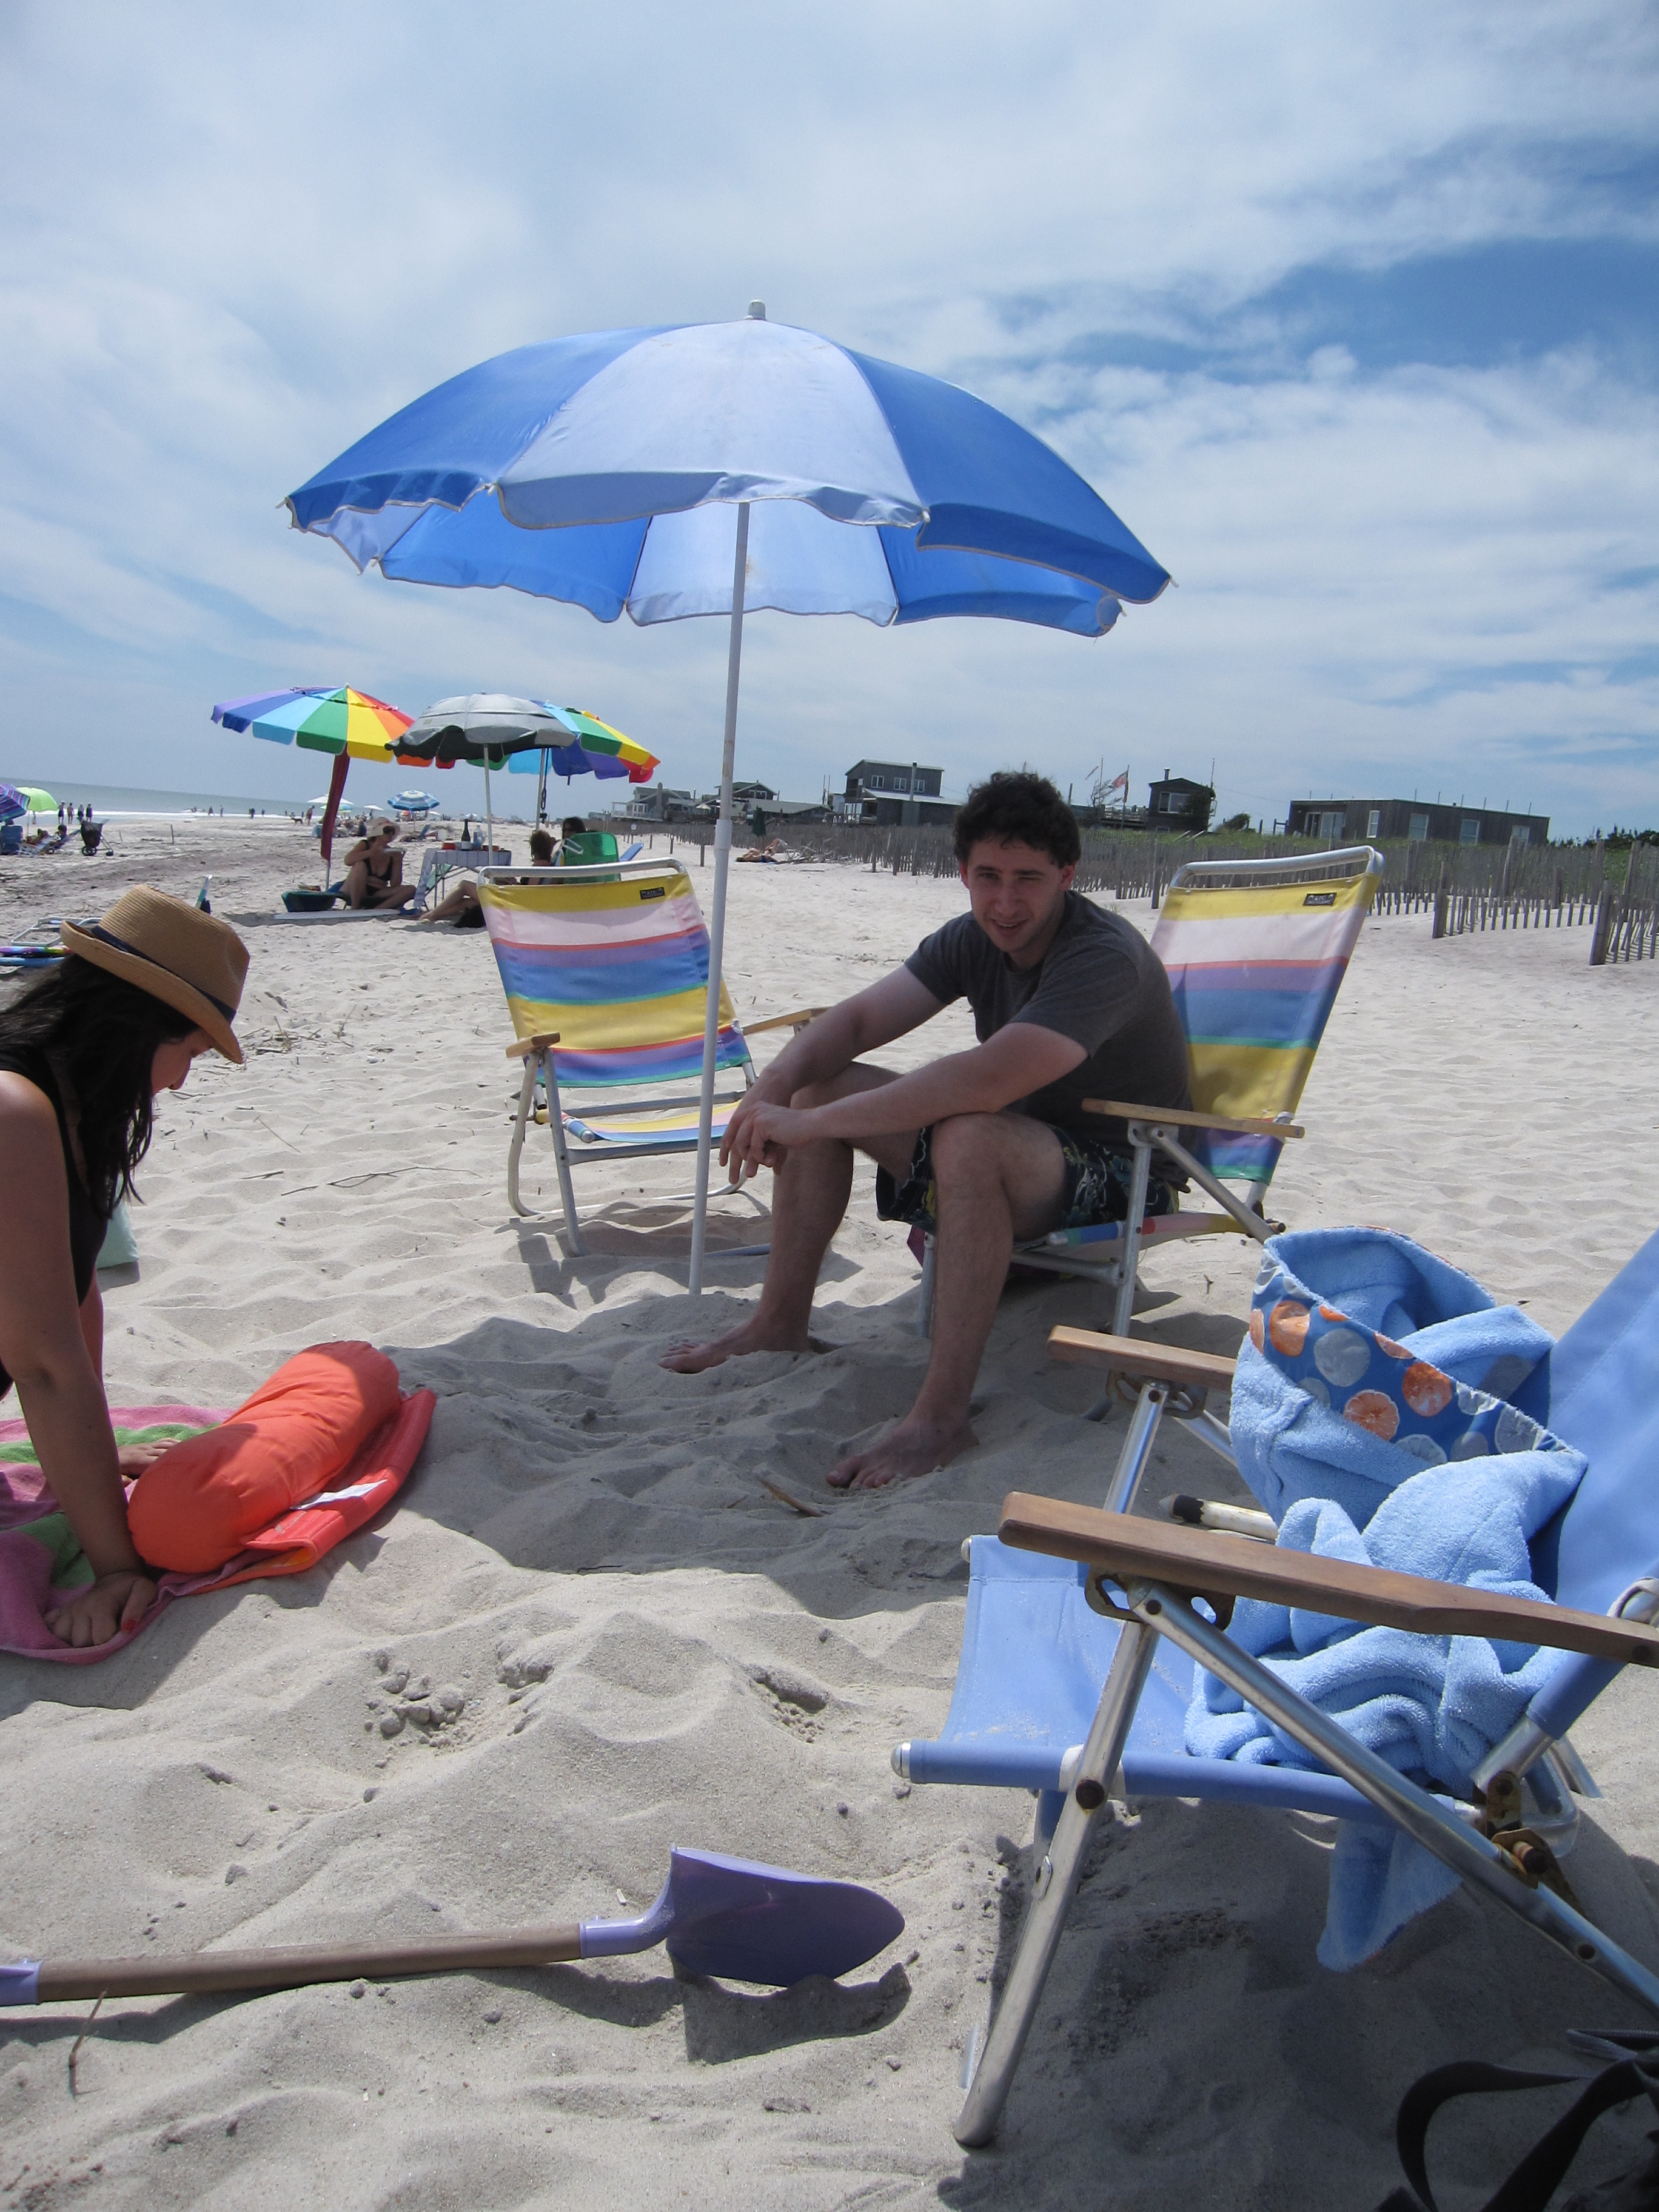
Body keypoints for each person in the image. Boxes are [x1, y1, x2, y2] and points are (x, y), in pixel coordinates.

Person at [662, 771, 1192, 1489]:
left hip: (1128, 1167)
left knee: (965, 1134)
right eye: (989, 877)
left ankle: (941, 1417)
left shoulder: (1101, 957)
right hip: (1024, 1147)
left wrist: (808, 1124)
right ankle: (778, 1323)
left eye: (1029, 880)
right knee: (823, 1080)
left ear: (1068, 876)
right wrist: (774, 1089)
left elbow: (986, 1080)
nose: (1006, 903)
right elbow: (856, 1021)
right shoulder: (973, 939)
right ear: (964, 873)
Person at [0, 888, 248, 1646]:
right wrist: (114, 1568)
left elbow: (74, 1300)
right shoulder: (12, 1109)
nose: (180, 1081)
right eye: (190, 1052)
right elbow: (43, 1364)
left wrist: (92, 1465)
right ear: (138, 1023)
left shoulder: (69, 1107)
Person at [418, 828, 553, 926]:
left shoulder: (538, 868)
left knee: (464, 885)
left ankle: (432, 915)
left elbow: (527, 893)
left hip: (512, 903)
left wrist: (512, 884)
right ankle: (432, 915)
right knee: (468, 903)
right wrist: (512, 883)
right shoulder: (548, 865)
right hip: (515, 902)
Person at [342, 821, 417, 910]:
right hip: (356, 889)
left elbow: (395, 884)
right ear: (378, 832)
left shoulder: (392, 853)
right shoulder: (365, 845)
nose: (390, 834)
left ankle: (377, 910)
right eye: (387, 830)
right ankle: (355, 908)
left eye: (392, 831)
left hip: (378, 891)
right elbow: (348, 861)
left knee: (411, 890)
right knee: (360, 865)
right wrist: (371, 852)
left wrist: (398, 861)